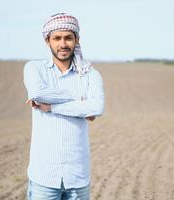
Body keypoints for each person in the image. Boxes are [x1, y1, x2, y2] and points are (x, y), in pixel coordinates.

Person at [23, 13, 105, 200]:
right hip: (44, 177)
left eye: (68, 38)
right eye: (57, 38)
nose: (63, 44)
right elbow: (37, 93)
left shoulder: (91, 75)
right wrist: (81, 100)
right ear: (47, 41)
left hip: (78, 178)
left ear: (77, 40)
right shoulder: (34, 69)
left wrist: (51, 107)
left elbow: (97, 107)